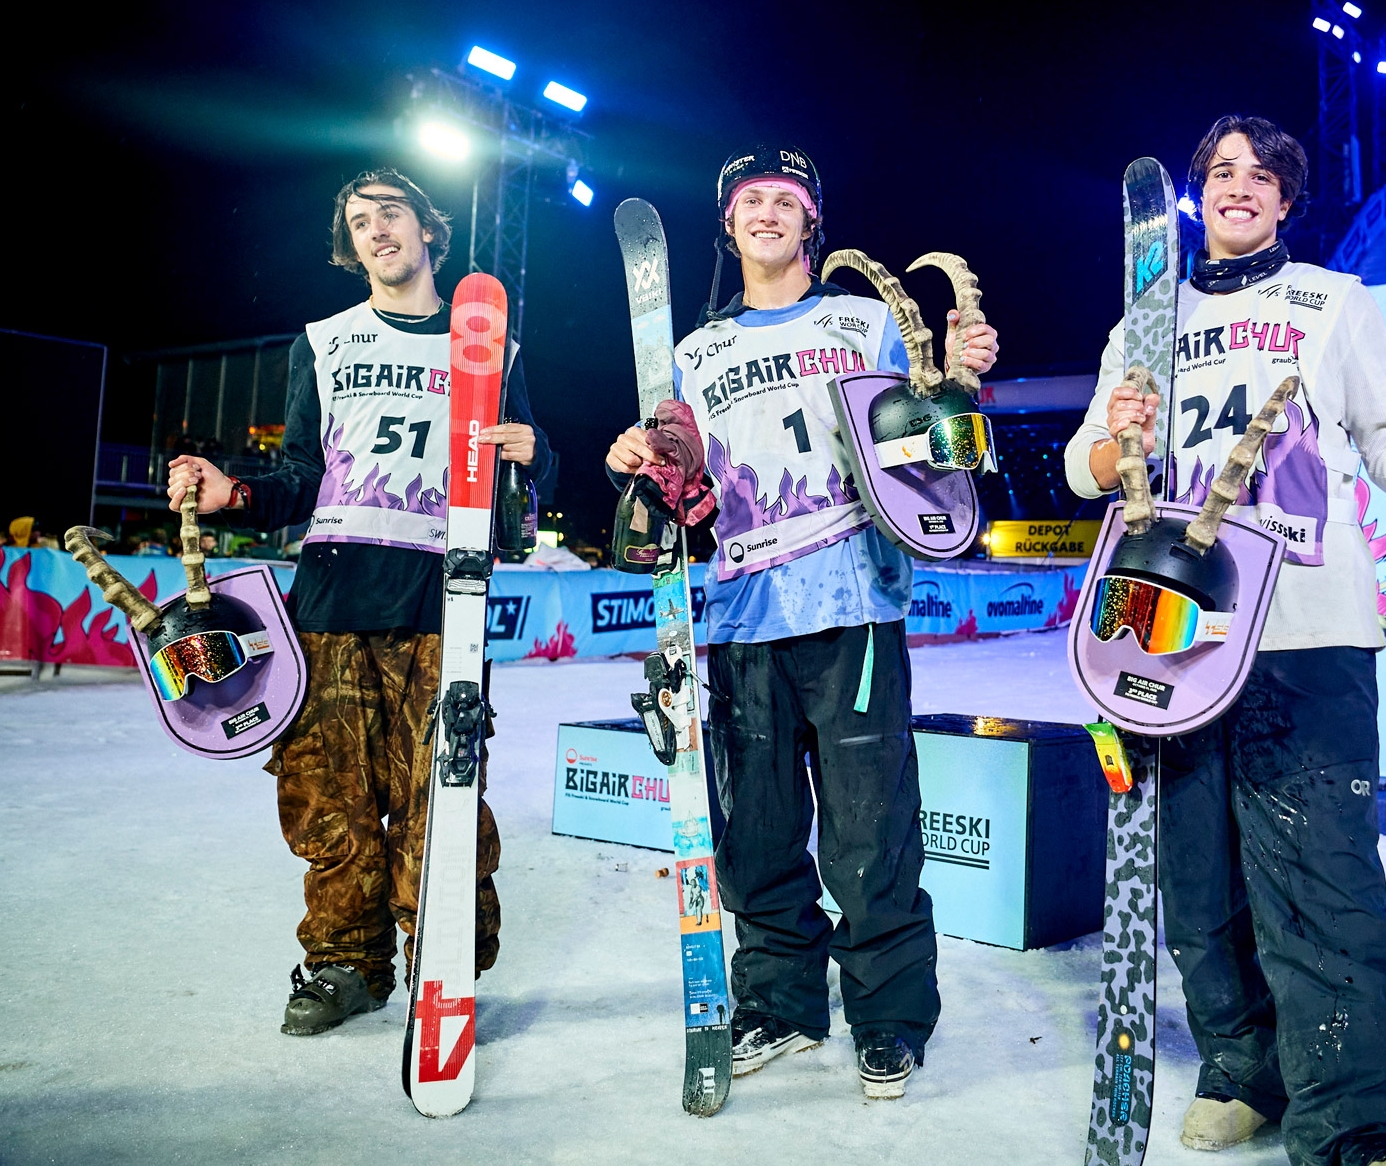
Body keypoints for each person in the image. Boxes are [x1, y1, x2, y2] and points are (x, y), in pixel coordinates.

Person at [1064, 116, 1386, 1166]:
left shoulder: (1332, 300)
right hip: (1169, 627)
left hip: (1307, 622)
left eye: (1260, 174)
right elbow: (1082, 464)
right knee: (1198, 873)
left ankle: (1365, 1116)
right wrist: (1119, 443)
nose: (1238, 185)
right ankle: (1246, 1067)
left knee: (1325, 870)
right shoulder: (1147, 318)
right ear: (1198, 194)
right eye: (1220, 170)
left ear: (1287, 198)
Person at [604, 144, 998, 1099]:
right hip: (743, 616)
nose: (768, 214)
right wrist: (643, 463)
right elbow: (688, 487)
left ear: (811, 220)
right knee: (758, 833)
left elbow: (935, 447)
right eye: (751, 202)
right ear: (729, 224)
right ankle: (780, 1004)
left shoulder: (865, 321)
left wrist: (962, 380)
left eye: (786, 200)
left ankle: (888, 1017)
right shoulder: (695, 353)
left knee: (871, 831)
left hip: (853, 601)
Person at [168, 168, 552, 1036]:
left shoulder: (488, 342)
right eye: (359, 222)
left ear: (428, 229)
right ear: (352, 247)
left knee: (440, 798)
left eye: (391, 214)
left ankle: (441, 959)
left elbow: (524, 485)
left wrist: (536, 458)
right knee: (326, 796)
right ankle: (346, 964)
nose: (376, 230)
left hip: (440, 605)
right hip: (332, 601)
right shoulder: (324, 341)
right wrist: (234, 493)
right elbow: (302, 473)